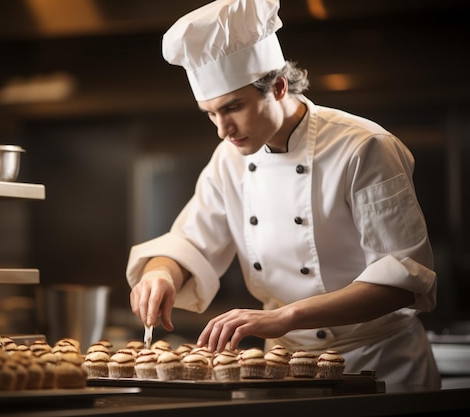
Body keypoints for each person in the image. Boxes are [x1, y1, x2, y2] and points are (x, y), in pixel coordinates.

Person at [125, 0, 440, 392]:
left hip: (377, 363)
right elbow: (191, 242)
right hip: (281, 368)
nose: (222, 129)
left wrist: (285, 317)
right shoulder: (230, 159)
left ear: (277, 87)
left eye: (233, 108)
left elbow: (401, 279)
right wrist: (160, 274)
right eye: (209, 113)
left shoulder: (364, 147)